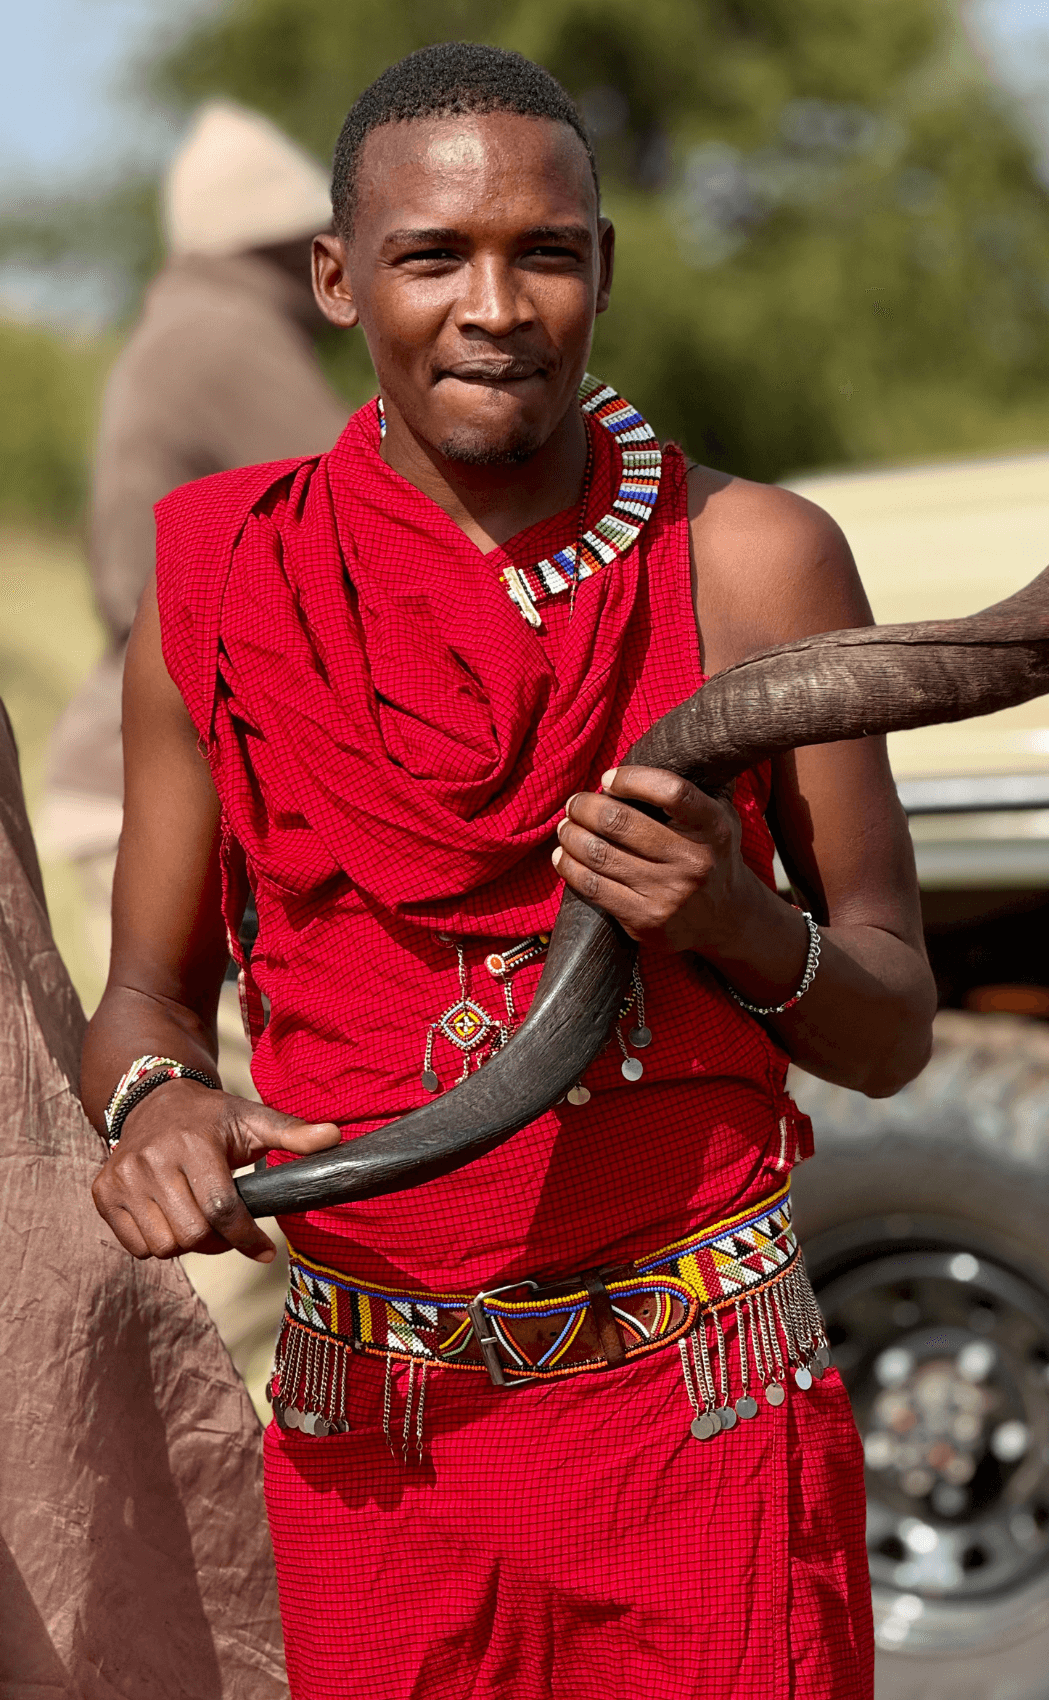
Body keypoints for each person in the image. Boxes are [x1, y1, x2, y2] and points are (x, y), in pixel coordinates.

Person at [85, 42, 937, 1700]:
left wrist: (735, 924)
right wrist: (155, 1109)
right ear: (337, 278)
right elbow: (144, 998)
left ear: (600, 270)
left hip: (696, 1418)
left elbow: (891, 1021)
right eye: (431, 257)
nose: (494, 304)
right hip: (372, 1446)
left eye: (542, 253)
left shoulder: (750, 562)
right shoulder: (220, 574)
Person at [40, 99, 349, 1022]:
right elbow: (371, 524)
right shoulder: (224, 337)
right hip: (175, 781)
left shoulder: (184, 329)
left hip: (156, 766)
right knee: (239, 1103)